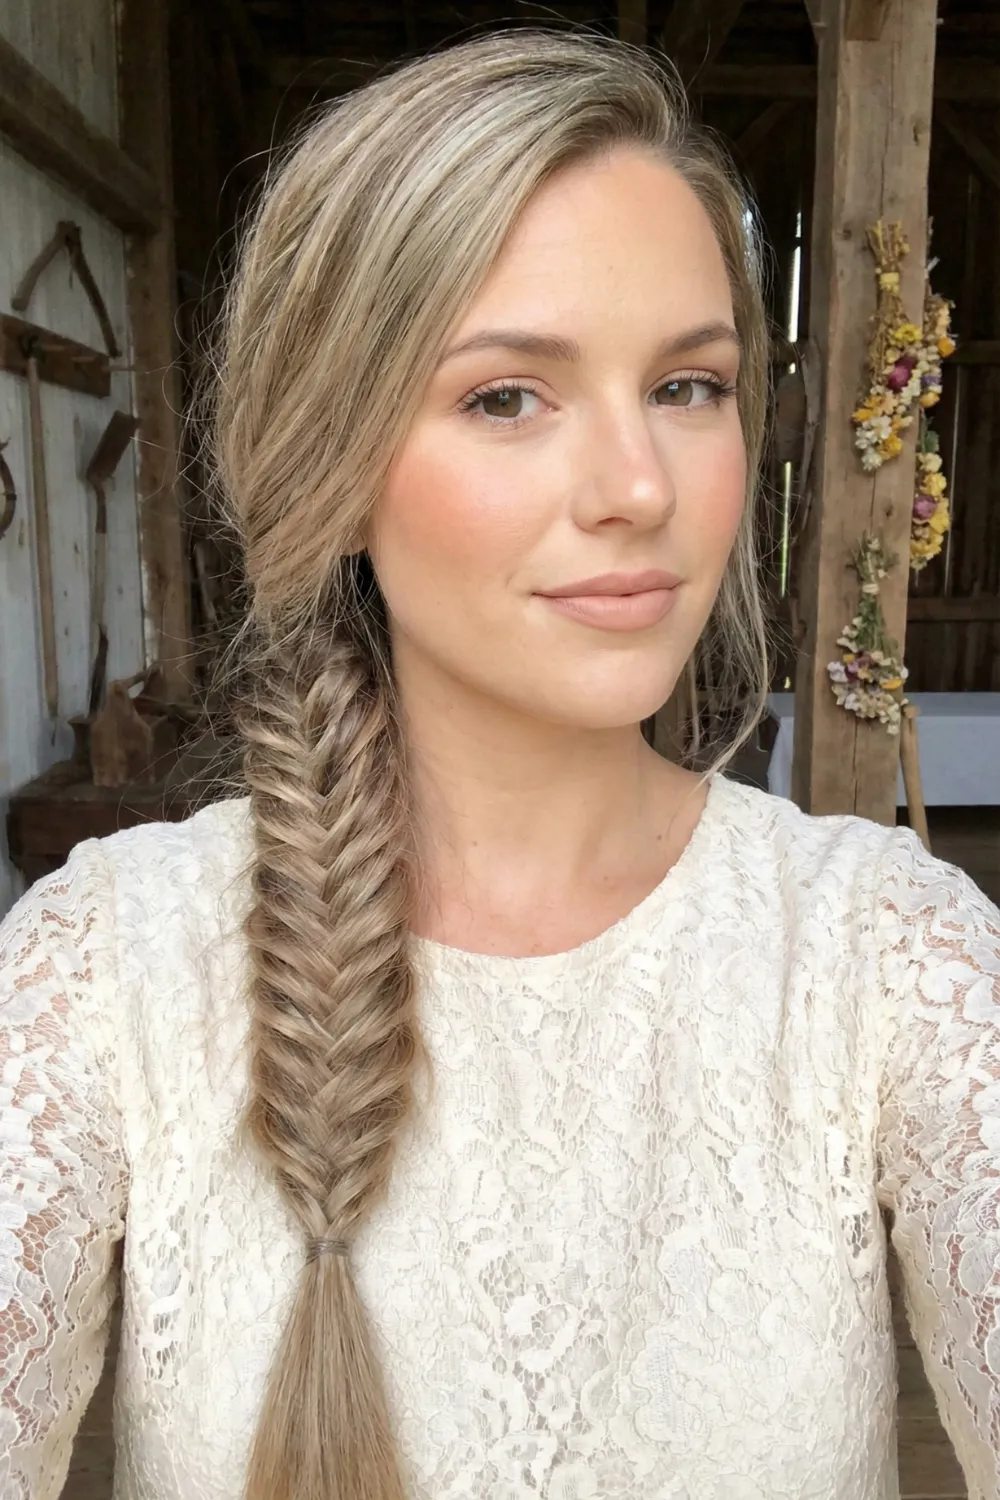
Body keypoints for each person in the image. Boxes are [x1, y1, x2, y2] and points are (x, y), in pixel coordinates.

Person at [1, 26, 998, 1500]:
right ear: (329, 469)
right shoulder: (104, 978)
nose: (640, 488)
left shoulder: (889, 965)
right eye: (506, 397)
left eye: (689, 386)